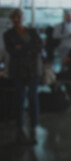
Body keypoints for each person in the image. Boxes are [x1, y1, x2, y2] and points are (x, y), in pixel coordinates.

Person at [3, 8, 43, 144]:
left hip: (33, 70)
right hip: (18, 70)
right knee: (20, 98)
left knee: (32, 97)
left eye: (18, 17)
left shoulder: (32, 31)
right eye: (14, 18)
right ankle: (20, 127)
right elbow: (12, 51)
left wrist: (21, 47)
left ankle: (33, 126)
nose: (16, 20)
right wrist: (28, 48)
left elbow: (39, 47)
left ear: (22, 18)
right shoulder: (8, 34)